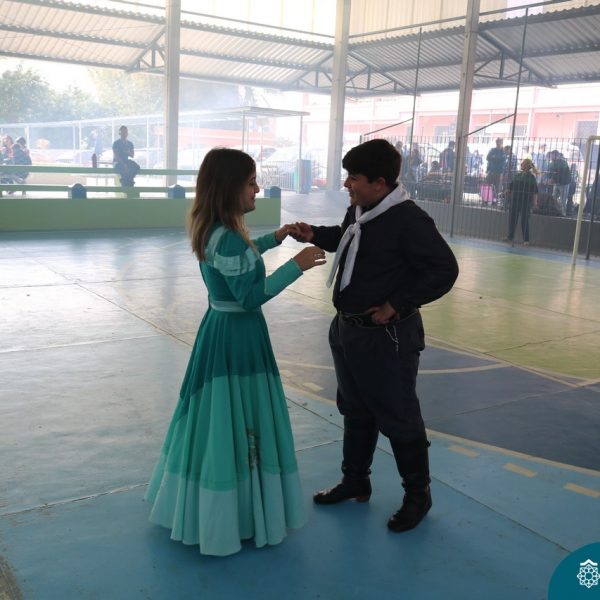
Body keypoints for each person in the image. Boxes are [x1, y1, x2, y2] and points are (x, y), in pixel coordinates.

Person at [145, 147, 326, 556]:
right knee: (238, 414)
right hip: (237, 337)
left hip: (220, 328)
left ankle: (220, 503)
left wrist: (273, 239)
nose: (257, 189)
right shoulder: (227, 238)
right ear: (230, 188)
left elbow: (239, 259)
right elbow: (251, 295)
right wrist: (296, 265)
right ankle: (237, 512)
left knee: (217, 416)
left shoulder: (216, 230)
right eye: (251, 182)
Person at [289, 139, 459, 533]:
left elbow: (444, 270)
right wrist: (314, 234)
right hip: (348, 330)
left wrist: (396, 303)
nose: (346, 184)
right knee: (355, 408)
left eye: (354, 177)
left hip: (387, 337)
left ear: (379, 182)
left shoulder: (409, 220)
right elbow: (348, 238)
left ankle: (417, 495)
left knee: (399, 415)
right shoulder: (362, 210)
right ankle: (355, 480)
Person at [504, 158, 538, 246]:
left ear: (526, 166)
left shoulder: (531, 178)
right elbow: (511, 186)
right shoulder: (517, 175)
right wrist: (508, 190)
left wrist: (535, 202)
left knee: (524, 220)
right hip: (514, 200)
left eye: (522, 163)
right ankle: (510, 236)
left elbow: (535, 192)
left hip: (525, 202)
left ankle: (526, 240)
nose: (521, 164)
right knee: (512, 219)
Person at [546, 150, 571, 216]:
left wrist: (552, 179)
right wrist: (548, 179)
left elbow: (562, 173)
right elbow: (550, 173)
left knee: (563, 199)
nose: (551, 157)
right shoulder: (551, 163)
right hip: (556, 183)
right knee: (554, 197)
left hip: (564, 183)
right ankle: (558, 210)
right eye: (551, 155)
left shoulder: (563, 162)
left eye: (552, 155)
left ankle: (563, 213)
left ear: (557, 155)